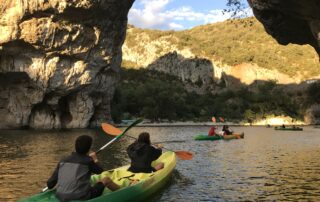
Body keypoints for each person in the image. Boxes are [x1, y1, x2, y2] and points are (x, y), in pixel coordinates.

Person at [47, 135, 119, 202]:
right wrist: (95, 159)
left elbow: (50, 184)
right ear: (89, 148)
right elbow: (100, 170)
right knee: (106, 180)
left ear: (75, 146)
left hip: (60, 196)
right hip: (81, 197)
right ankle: (124, 191)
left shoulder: (62, 160)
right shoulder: (88, 161)